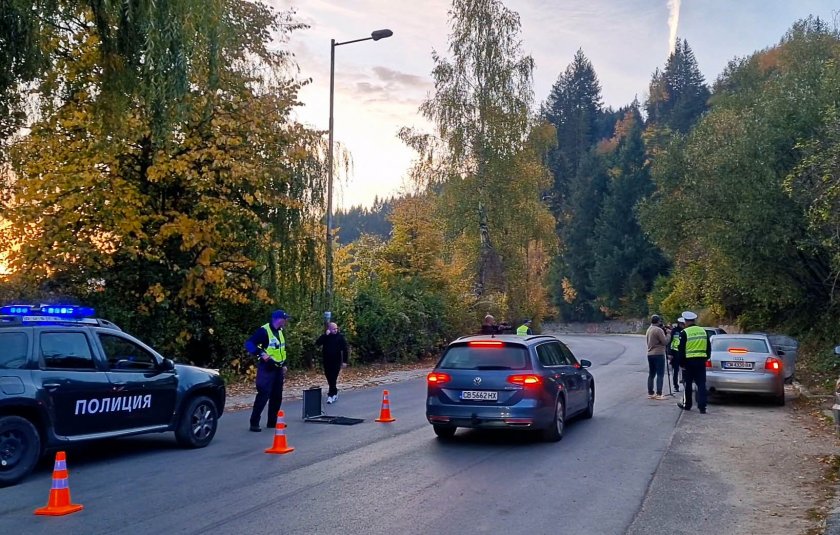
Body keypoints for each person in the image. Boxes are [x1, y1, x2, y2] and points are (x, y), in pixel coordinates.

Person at [244, 309, 290, 432]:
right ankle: (254, 422)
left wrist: (284, 364)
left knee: (277, 396)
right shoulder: (264, 331)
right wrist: (260, 353)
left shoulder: (280, 332)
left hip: (278, 368)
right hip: (267, 368)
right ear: (278, 319)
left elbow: (282, 349)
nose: (286, 321)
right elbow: (249, 344)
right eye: (284, 319)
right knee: (263, 394)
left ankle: (272, 421)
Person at [677, 311, 711, 414]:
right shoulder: (703, 331)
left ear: (686, 322)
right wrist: (705, 358)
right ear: (694, 320)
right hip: (701, 361)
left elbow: (681, 350)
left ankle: (688, 405)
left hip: (688, 362)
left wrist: (681, 363)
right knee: (701, 384)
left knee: (688, 384)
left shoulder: (684, 333)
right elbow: (708, 348)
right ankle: (702, 407)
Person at [315, 322, 349, 404]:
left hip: (336, 361)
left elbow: (345, 349)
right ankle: (335, 392)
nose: (335, 330)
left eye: (336, 328)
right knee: (329, 377)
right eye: (334, 329)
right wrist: (325, 335)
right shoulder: (326, 337)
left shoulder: (340, 337)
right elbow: (317, 343)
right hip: (327, 361)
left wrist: (344, 361)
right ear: (329, 329)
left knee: (333, 377)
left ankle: (330, 395)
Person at [645, 314, 668, 400]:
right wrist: (669, 335)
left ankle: (650, 392)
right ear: (658, 321)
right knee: (660, 374)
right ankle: (659, 393)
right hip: (658, 353)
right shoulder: (658, 330)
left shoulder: (649, 329)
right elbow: (665, 342)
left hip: (650, 353)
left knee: (651, 374)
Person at [667, 317, 685, 392]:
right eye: (682, 324)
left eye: (684, 324)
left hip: (683, 354)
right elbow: (670, 342)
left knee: (684, 370)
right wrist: (670, 353)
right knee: (675, 371)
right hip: (675, 353)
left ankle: (685, 383)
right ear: (679, 323)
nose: (683, 325)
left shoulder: (685, 331)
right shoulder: (674, 331)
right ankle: (675, 386)